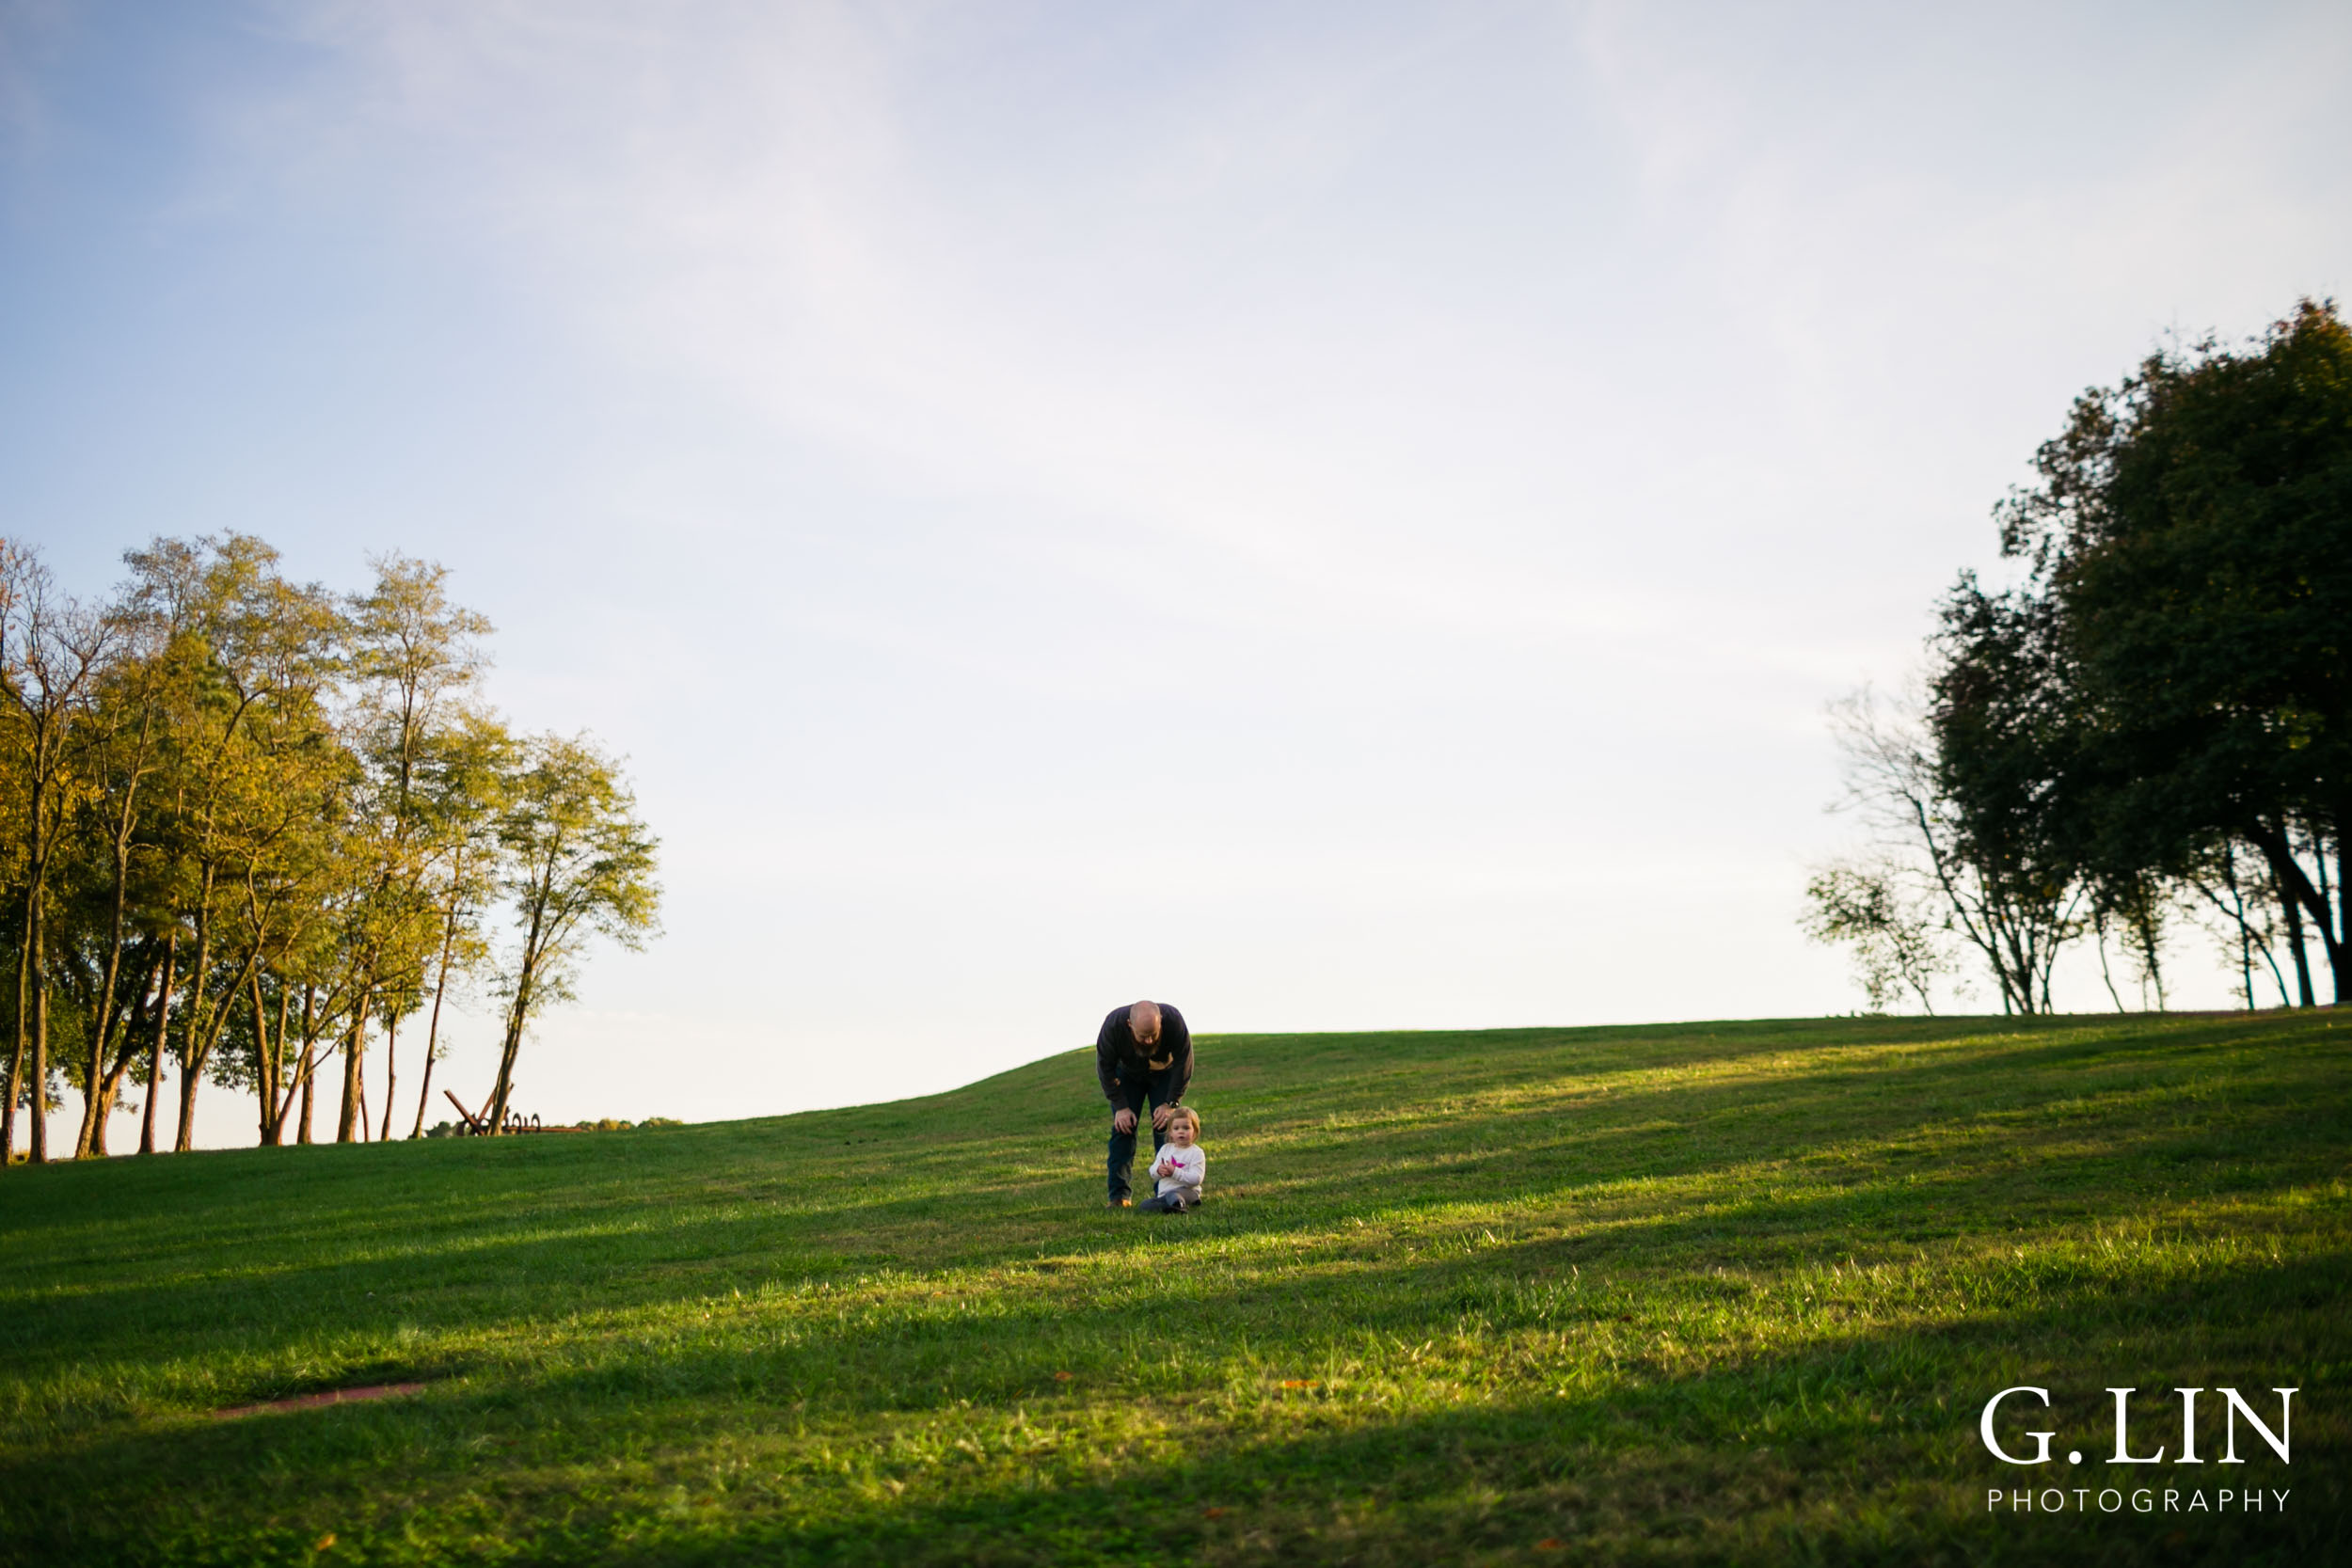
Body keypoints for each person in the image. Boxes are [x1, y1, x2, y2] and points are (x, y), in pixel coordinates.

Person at [1096, 999, 1192, 1209]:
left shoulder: (1174, 1020)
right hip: (1128, 1075)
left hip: (1165, 1075)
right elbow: (1105, 1067)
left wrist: (1171, 1103)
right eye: (1143, 1036)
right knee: (1124, 1129)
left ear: (1161, 1023)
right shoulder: (1113, 1026)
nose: (1148, 1041)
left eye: (1153, 1035)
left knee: (1165, 1130)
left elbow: (1184, 1061)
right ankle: (1119, 1197)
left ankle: (1167, 1194)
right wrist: (1120, 1106)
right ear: (1130, 1026)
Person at [1136, 1106, 1204, 1212]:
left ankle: (1180, 1206)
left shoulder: (1196, 1152)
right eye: (1176, 1128)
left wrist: (1174, 1172)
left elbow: (1196, 1179)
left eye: (1186, 1128)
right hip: (1165, 1194)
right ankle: (1171, 1206)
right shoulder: (1165, 1149)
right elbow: (1152, 1172)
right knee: (1145, 1205)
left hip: (1188, 1192)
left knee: (1173, 1194)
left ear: (1195, 1131)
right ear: (1171, 1132)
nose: (1181, 1132)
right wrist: (1159, 1170)